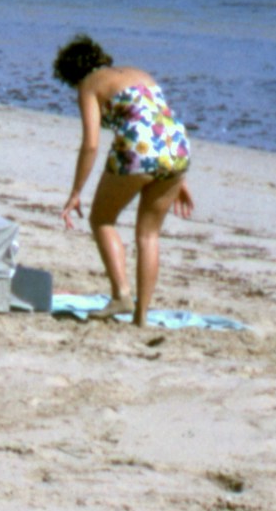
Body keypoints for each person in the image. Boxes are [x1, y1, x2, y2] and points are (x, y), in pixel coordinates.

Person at [54, 34, 193, 324]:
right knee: (149, 235)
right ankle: (141, 317)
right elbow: (158, 121)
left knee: (101, 220)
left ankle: (121, 296)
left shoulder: (89, 86)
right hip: (177, 148)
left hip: (139, 150)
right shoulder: (140, 74)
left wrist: (76, 191)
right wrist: (178, 180)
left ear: (71, 74)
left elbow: (91, 143)